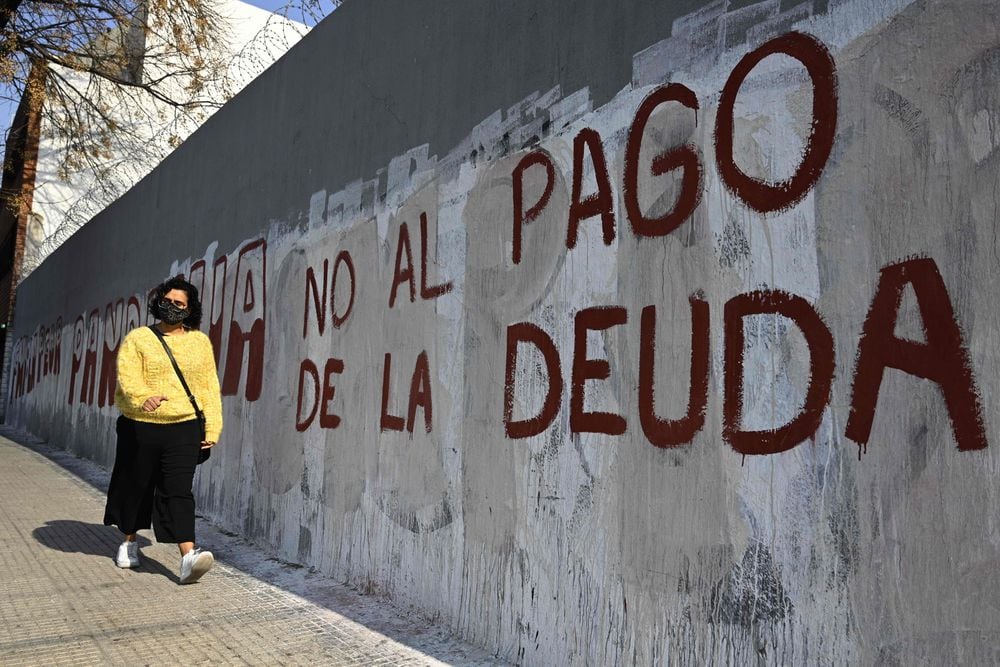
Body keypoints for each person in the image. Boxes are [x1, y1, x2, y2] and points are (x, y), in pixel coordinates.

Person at [103, 276, 223, 584]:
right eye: (167, 301)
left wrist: (212, 426)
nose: (171, 307)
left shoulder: (199, 342)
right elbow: (128, 377)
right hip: (140, 426)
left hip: (184, 427)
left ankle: (188, 556)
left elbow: (209, 387)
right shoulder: (139, 339)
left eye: (179, 304)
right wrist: (144, 397)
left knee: (178, 490)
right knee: (137, 485)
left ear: (189, 309)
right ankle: (129, 541)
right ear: (157, 302)